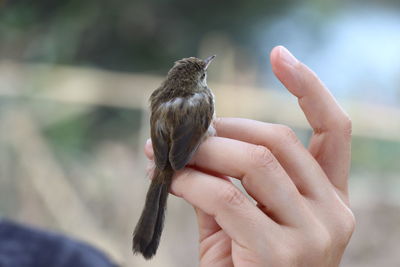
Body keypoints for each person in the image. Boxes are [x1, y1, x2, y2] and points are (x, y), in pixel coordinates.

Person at [144, 46, 355, 266]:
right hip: (179, 152)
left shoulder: (159, 97)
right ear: (198, 81)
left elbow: (170, 148)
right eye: (203, 74)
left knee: (157, 197)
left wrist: (167, 158)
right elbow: (192, 141)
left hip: (163, 152)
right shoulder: (202, 99)